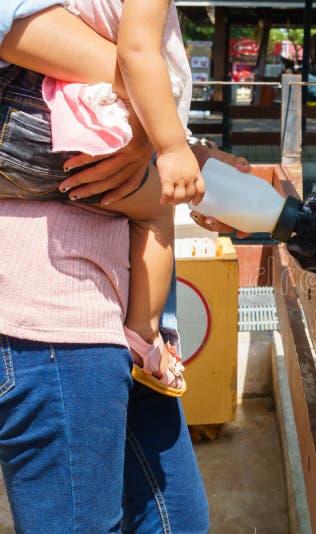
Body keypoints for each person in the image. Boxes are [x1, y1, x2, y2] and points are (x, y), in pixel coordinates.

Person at [0, 4, 250, 531]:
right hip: (54, 317)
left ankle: (144, 337)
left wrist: (184, 152)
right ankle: (145, 333)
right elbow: (129, 56)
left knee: (176, 518)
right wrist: (166, 143)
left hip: (100, 316)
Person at [0, 0, 205, 396]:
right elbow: (137, 52)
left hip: (34, 108)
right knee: (156, 210)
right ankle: (145, 337)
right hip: (52, 130)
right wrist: (172, 147)